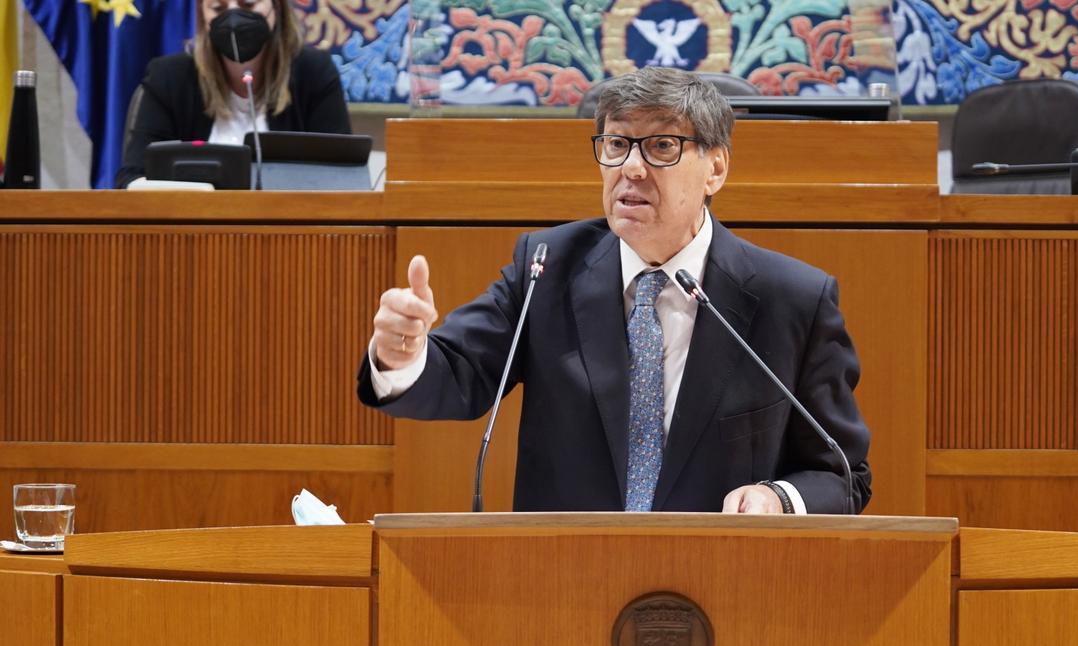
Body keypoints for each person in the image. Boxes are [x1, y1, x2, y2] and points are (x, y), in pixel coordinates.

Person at [358, 67, 871, 514]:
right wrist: (401, 355)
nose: (630, 167)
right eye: (617, 144)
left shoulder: (793, 300)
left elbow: (843, 474)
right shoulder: (546, 267)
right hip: (567, 584)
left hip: (725, 583)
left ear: (716, 168)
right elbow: (459, 375)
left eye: (663, 146)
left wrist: (778, 498)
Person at [115, 0, 351, 188]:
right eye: (218, 8)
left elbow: (344, 175)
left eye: (248, 5)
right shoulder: (169, 78)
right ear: (203, 15)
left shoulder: (314, 73)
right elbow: (131, 178)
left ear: (276, 8)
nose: (234, 18)